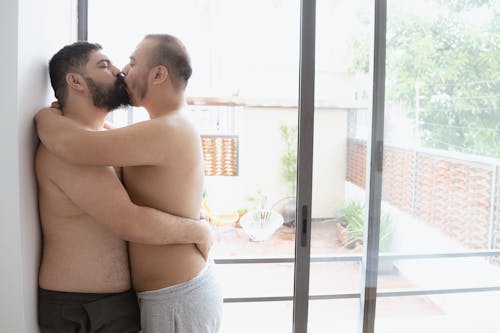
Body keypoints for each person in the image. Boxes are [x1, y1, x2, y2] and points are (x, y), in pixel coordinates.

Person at [35, 35, 223, 332]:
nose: (122, 70)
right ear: (76, 82)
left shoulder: (167, 128)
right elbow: (89, 142)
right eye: (106, 65)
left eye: (132, 63)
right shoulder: (154, 130)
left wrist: (45, 118)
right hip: (159, 296)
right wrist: (196, 227)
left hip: (174, 295)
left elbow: (77, 144)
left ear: (158, 74)